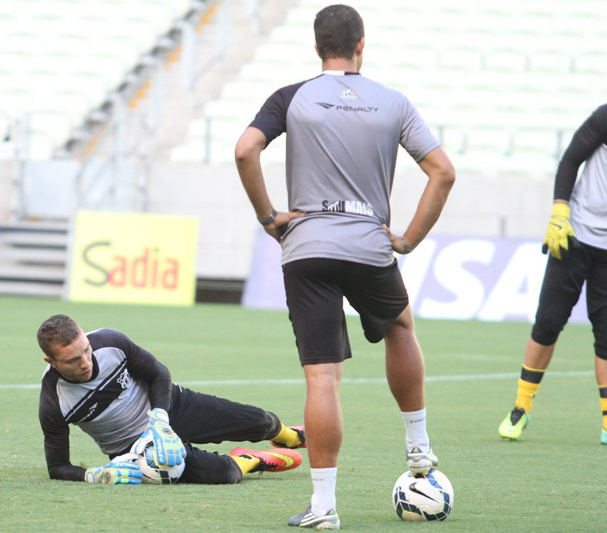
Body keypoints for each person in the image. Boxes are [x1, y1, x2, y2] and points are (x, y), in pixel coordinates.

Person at [234, 5, 456, 529]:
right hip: (367, 241)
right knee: (400, 326)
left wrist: (269, 217)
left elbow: (246, 150)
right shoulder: (394, 102)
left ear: (317, 49)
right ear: (362, 45)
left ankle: (323, 508)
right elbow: (443, 172)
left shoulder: (291, 97)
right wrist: (407, 239)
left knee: (323, 376)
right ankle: (419, 450)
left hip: (306, 246)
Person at [36, 313, 305, 485]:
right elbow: (58, 466)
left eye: (86, 349)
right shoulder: (53, 400)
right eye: (73, 359)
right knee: (225, 474)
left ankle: (286, 435)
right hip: (135, 447)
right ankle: (251, 459)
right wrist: (92, 475)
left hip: (167, 407)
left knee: (260, 421)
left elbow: (158, 374)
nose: (86, 362)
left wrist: (160, 419)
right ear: (52, 361)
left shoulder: (111, 342)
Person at [498, 104, 607, 445]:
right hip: (574, 235)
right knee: (548, 322)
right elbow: (570, 160)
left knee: (606, 334)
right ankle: (521, 407)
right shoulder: (605, 116)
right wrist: (560, 209)